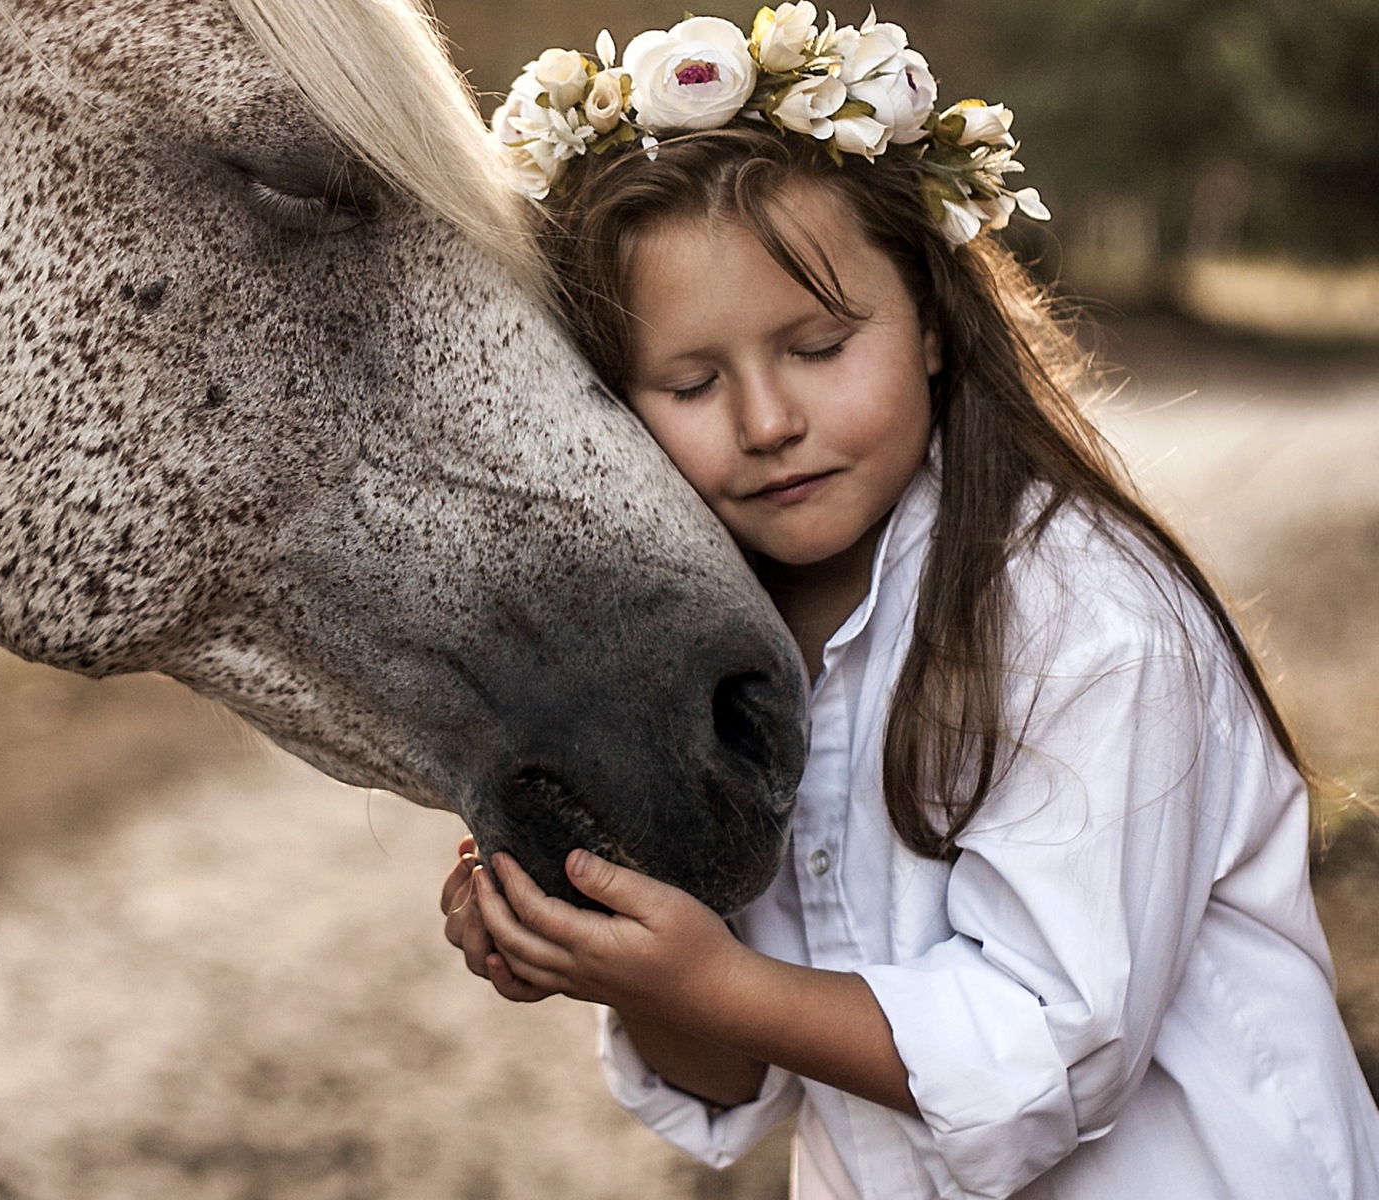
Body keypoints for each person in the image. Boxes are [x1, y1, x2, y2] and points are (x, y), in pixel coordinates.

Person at [443, 7, 1379, 1198]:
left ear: (933, 321)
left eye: (821, 348)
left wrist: (711, 983)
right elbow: (736, 1078)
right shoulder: (718, 664)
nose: (768, 421)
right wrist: (622, 960)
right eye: (690, 381)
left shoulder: (1087, 619)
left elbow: (1053, 1047)